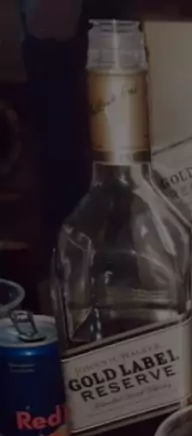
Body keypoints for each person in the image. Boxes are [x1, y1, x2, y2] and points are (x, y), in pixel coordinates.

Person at [18, 0, 90, 261]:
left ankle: (64, 243)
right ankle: (62, 245)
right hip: (51, 50)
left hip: (58, 49)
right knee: (58, 152)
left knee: (61, 152)